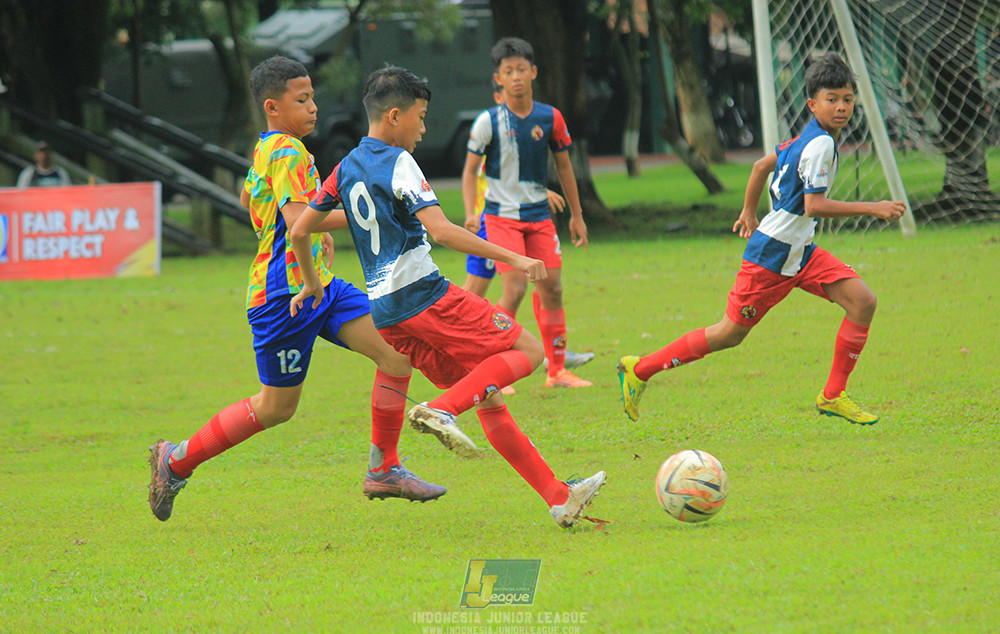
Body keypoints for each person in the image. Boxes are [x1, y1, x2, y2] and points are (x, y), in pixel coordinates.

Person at [289, 66, 606, 528]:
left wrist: (312, 282)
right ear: (395, 115)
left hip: (386, 313)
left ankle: (559, 497)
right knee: (529, 351)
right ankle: (441, 409)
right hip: (426, 297)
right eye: (420, 116)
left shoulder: (346, 166)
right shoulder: (399, 162)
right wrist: (515, 260)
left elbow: (300, 228)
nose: (424, 127)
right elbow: (442, 231)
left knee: (491, 397)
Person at [147, 56, 446, 522]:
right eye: (302, 100)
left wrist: (306, 230)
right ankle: (176, 459)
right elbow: (296, 221)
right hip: (284, 298)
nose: (314, 108)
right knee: (276, 407)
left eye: (313, 98)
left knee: (395, 353)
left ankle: (384, 468)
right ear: (272, 106)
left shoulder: (269, 147)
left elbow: (251, 198)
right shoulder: (286, 153)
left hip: (316, 287)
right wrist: (374, 214)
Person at [617, 53, 906, 426]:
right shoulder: (819, 144)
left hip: (799, 252)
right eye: (831, 99)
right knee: (728, 334)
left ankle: (833, 395)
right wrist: (873, 208)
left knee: (862, 302)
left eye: (847, 99)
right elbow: (813, 205)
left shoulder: (806, 137)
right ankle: (640, 369)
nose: (841, 107)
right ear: (812, 103)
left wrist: (749, 212)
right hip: (771, 256)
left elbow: (759, 167)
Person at [462, 37, 592, 389]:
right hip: (501, 218)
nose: (516, 76)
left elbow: (565, 167)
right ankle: (494, 367)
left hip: (538, 217)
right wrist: (470, 213)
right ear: (498, 79)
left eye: (522, 69)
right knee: (516, 288)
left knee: (552, 288)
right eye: (508, 71)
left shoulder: (550, 118)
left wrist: (576, 215)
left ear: (533, 72)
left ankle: (557, 371)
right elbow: (470, 170)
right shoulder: (487, 122)